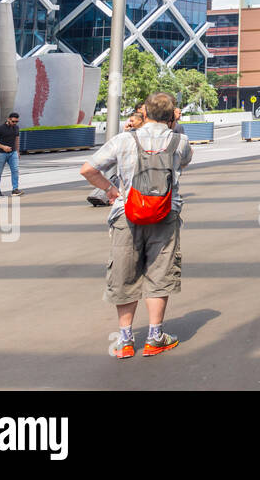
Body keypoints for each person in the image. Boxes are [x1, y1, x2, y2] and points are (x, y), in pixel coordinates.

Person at [80, 92, 193, 359]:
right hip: (165, 215)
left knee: (124, 273)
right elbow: (185, 162)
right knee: (159, 272)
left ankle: (125, 340)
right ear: (172, 115)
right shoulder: (180, 141)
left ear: (145, 113)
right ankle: (155, 337)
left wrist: (110, 190)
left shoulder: (123, 139)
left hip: (126, 215)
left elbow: (87, 169)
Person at [0, 112, 22, 198]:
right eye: (13, 121)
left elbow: (17, 139)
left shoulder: (16, 128)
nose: (15, 123)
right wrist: (3, 147)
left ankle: (15, 189)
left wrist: (18, 151)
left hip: (13, 152)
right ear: (8, 119)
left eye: (16, 122)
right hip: (1, 153)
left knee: (15, 170)